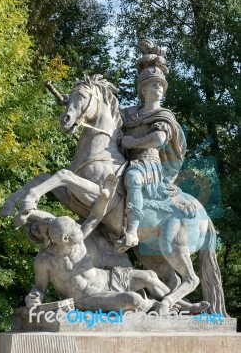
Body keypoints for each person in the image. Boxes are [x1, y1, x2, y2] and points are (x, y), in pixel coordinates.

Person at [25, 173, 207, 314]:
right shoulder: (45, 260)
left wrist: (105, 196)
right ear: (65, 239)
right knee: (134, 299)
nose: (78, 225)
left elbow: (95, 217)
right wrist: (34, 298)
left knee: (150, 276)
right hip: (90, 297)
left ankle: (183, 306)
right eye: (73, 226)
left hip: (108, 278)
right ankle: (154, 306)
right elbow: (40, 288)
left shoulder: (77, 240)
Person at [115, 39, 196, 252]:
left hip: (150, 165)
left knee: (133, 177)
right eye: (154, 84)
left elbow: (158, 139)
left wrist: (133, 142)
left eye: (161, 85)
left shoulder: (163, 115)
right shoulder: (129, 113)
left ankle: (132, 231)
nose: (158, 87)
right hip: (125, 160)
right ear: (143, 90)